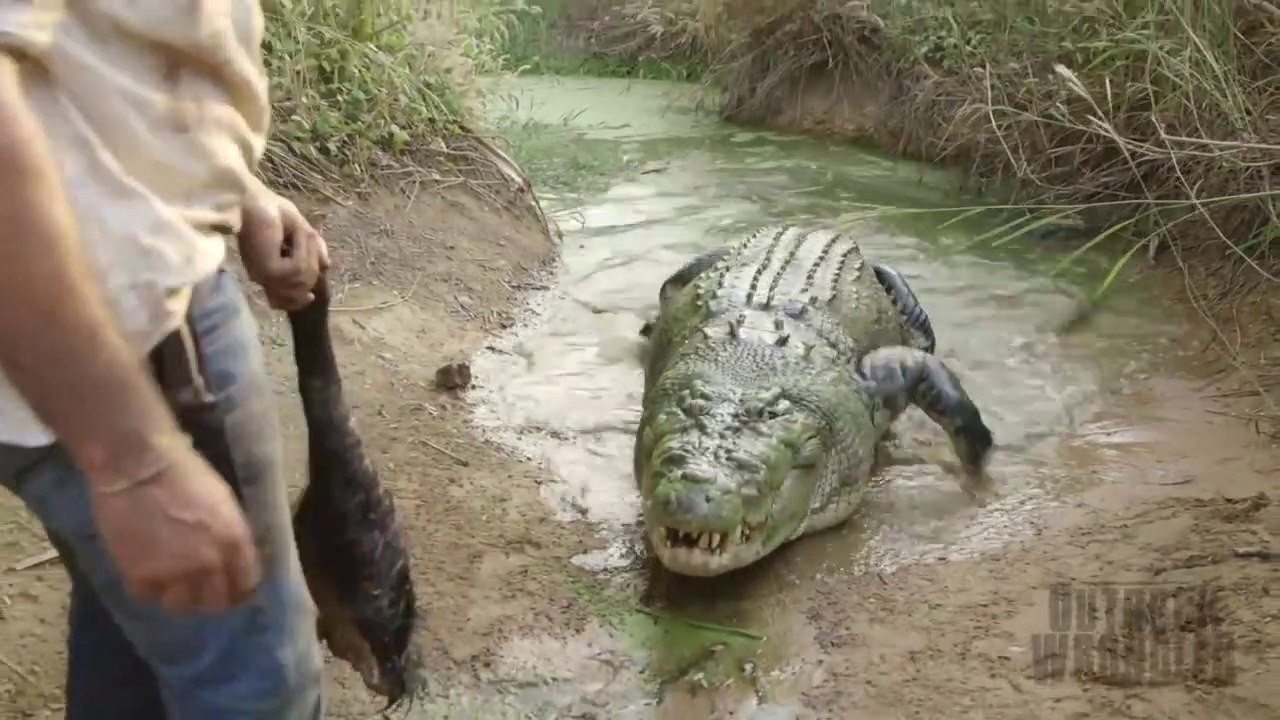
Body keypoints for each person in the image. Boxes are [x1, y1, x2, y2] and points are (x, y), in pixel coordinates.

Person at [0, 3, 330, 719]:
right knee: (255, 682)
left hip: (87, 296)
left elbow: (89, 56)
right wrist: (133, 457)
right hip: (118, 325)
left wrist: (237, 189)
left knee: (137, 625)